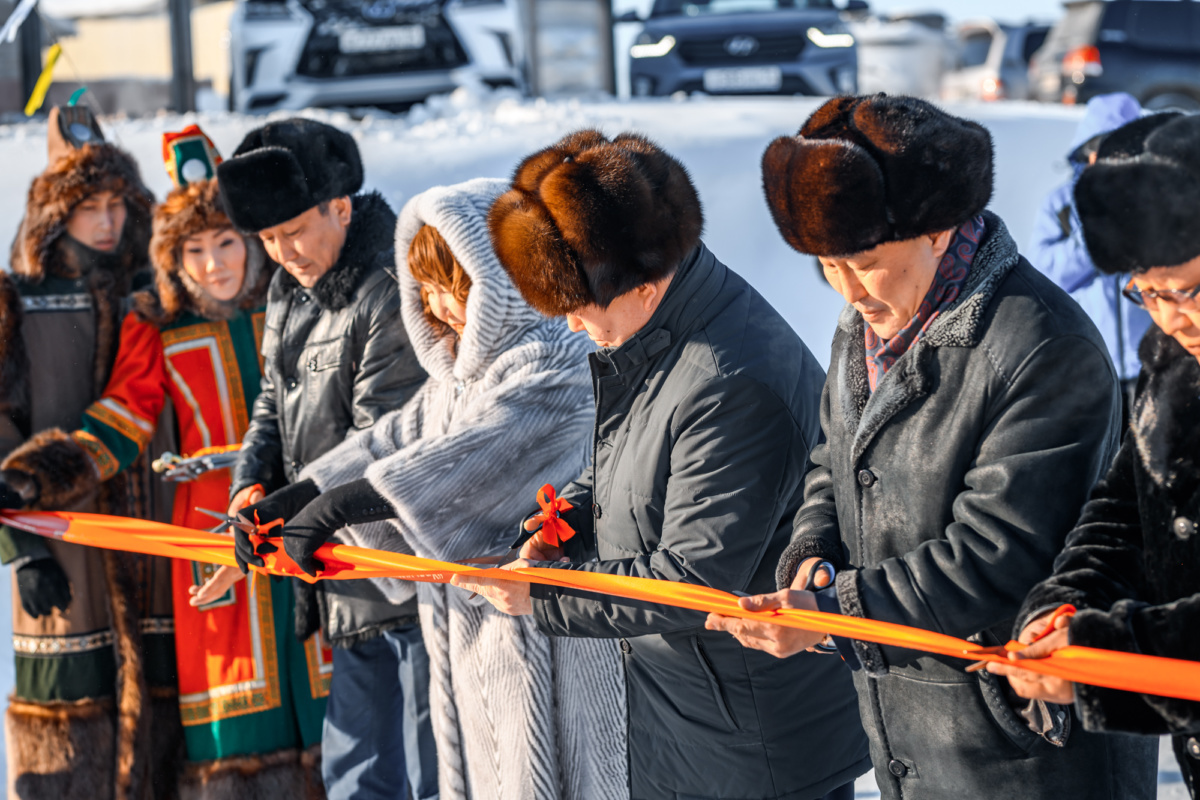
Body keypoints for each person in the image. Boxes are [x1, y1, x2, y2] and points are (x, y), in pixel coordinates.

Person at [705, 95, 1158, 800]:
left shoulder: (1040, 344)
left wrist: (836, 613)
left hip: (1023, 749)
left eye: (862, 262)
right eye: (827, 265)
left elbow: (999, 553)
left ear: (940, 232)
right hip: (910, 738)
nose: (847, 289)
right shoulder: (865, 326)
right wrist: (812, 554)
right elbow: (835, 460)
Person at [453, 130, 870, 800]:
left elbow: (693, 576)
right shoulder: (665, 334)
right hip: (693, 714)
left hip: (753, 739)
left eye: (577, 308)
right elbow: (634, 458)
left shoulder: (728, 378)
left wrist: (547, 594)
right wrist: (573, 514)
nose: (571, 327)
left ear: (639, 285)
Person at [238, 178, 630, 800]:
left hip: (550, 635)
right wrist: (299, 492)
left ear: (504, 280)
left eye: (458, 288)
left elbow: (471, 457)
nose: (440, 308)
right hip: (474, 631)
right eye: (426, 291)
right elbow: (391, 439)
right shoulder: (460, 377)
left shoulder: (554, 361)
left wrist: (337, 507)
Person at [7, 125, 333, 797]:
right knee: (235, 722)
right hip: (212, 535)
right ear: (172, 258)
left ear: (250, 240)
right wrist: (40, 474)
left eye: (224, 243)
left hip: (309, 522)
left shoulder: (296, 307)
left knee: (332, 704)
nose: (214, 264)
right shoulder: (158, 328)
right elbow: (122, 418)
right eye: (194, 249)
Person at [214, 118, 432, 800]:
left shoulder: (387, 286)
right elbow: (272, 409)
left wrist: (292, 506)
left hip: (405, 570)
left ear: (340, 207)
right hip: (337, 567)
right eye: (269, 240)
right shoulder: (289, 291)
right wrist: (252, 486)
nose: (283, 254)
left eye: (294, 232)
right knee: (356, 777)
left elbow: (383, 433)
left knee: (427, 774)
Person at [991, 112, 1200, 800]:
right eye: (1148, 293)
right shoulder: (1173, 365)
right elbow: (1125, 517)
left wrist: (1107, 655)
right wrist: (1065, 603)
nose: (1170, 318)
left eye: (1190, 289)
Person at [0, 106, 180, 799]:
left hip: (156, 552)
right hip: (61, 547)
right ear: (54, 214)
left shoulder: (156, 296)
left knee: (164, 732)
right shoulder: (15, 303)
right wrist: (24, 555)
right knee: (70, 749)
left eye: (116, 205)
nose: (107, 222)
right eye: (88, 207)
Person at [1028, 91, 1150, 411]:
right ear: (1088, 152)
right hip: (1090, 361)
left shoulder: (1157, 196)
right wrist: (1093, 239)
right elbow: (1044, 278)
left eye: (1125, 146)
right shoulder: (1063, 205)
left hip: (1150, 361)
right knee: (1100, 457)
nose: (1115, 157)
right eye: (1105, 146)